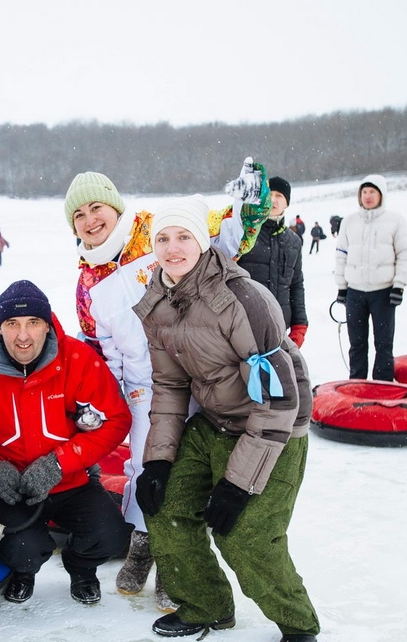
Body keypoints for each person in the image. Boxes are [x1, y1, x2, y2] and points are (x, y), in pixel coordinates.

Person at [63, 162, 271, 609]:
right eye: (78, 215)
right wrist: (111, 396)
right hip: (145, 389)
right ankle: (144, 541)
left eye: (96, 207)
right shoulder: (87, 286)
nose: (90, 220)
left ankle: (179, 558)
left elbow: (229, 236)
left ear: (116, 207)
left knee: (190, 470)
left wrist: (250, 205)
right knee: (144, 467)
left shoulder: (157, 233)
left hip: (199, 373)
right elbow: (104, 348)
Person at [132, 197, 319, 642]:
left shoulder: (244, 300)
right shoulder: (158, 301)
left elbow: (278, 399)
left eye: (184, 237)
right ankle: (206, 605)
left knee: (244, 534)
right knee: (164, 505)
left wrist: (237, 486)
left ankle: (297, 621)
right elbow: (170, 384)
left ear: (202, 240)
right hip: (215, 421)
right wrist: (156, 460)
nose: (173, 249)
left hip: (275, 428)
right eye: (162, 238)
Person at [0, 280, 133, 607]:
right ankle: (25, 571)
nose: (23, 335)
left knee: (111, 536)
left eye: (33, 323)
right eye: (12, 324)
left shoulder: (78, 360)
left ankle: (81, 567)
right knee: (20, 548)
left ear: (47, 326)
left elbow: (116, 420)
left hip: (71, 480)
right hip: (11, 486)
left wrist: (60, 463)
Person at [334, 175, 407, 381]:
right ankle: (357, 383)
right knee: (357, 343)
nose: (368, 196)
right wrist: (342, 287)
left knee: (384, 344)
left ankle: (383, 384)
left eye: (373, 192)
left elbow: (404, 254)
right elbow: (341, 254)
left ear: (381, 195)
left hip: (384, 292)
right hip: (355, 293)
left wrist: (399, 285)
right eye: (364, 192)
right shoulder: (349, 222)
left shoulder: (395, 221)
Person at [237, 176, 308, 348]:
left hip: (279, 326)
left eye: (279, 196)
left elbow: (296, 284)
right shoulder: (244, 233)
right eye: (269, 195)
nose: (273, 200)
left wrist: (300, 324)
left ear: (287, 203)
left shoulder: (293, 241)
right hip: (244, 324)